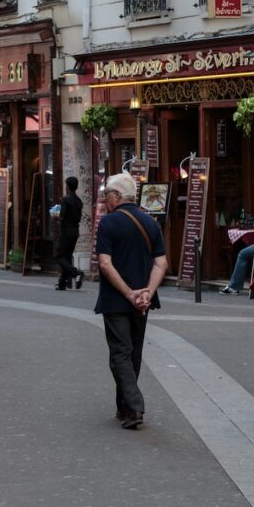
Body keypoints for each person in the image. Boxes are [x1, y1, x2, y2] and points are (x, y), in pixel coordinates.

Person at [94, 172, 167, 430]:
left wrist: (128, 293)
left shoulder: (108, 223)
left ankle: (134, 406)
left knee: (120, 353)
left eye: (106, 195)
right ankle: (124, 406)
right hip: (143, 301)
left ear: (116, 196)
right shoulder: (150, 222)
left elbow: (105, 263)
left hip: (116, 299)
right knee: (133, 353)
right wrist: (148, 291)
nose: (104, 200)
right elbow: (161, 263)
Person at [55, 176, 85, 291]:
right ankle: (62, 283)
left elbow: (62, 216)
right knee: (67, 256)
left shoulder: (66, 199)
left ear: (67, 186)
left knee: (58, 255)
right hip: (75, 231)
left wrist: (56, 217)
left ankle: (76, 273)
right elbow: (78, 217)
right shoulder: (79, 201)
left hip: (66, 231)